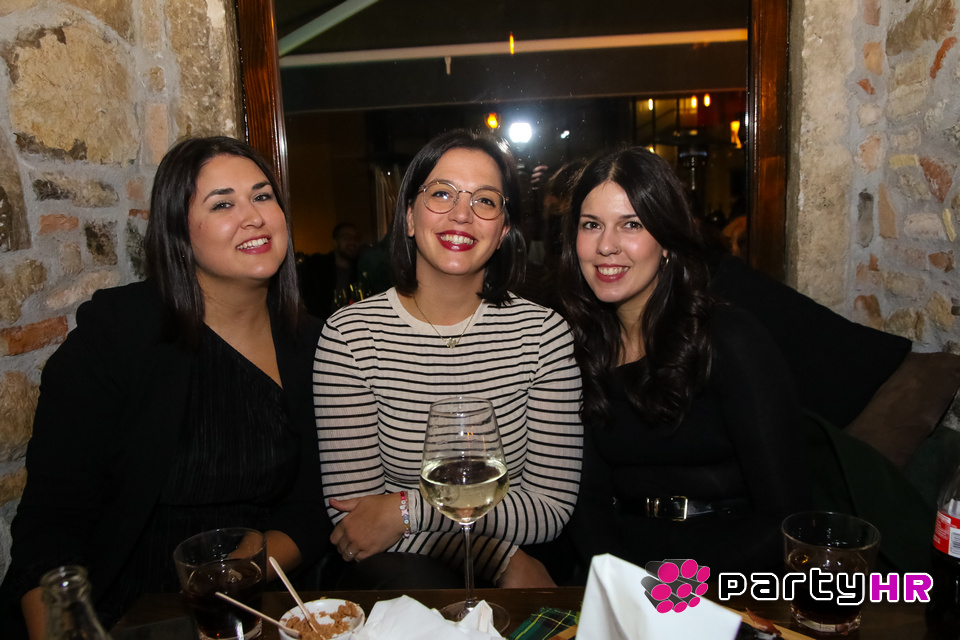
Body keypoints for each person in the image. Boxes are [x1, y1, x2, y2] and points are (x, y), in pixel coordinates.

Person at [0, 136, 330, 637]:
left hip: (251, 605)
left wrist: (246, 568)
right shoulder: (118, 335)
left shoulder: (312, 344)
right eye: (223, 204)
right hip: (120, 611)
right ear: (178, 229)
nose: (254, 217)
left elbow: (311, 506)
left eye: (263, 196)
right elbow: (52, 523)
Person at [314, 129, 583, 588]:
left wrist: (406, 511)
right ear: (409, 216)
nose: (462, 214)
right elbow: (357, 523)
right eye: (442, 193)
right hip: (404, 588)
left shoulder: (542, 335)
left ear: (503, 231)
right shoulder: (351, 337)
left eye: (485, 201)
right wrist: (500, 559)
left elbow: (550, 508)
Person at [557, 146, 809, 575]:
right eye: (591, 225)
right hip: (626, 568)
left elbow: (787, 518)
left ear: (667, 242)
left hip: (734, 568)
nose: (605, 246)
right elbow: (587, 504)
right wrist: (617, 584)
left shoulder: (730, 340)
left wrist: (676, 588)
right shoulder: (577, 347)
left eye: (631, 224)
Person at [298, 222, 362, 320]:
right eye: (347, 237)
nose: (352, 242)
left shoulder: (361, 271)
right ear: (335, 242)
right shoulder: (317, 268)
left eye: (356, 238)